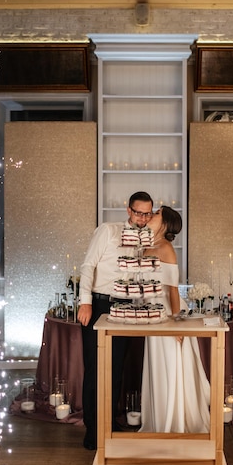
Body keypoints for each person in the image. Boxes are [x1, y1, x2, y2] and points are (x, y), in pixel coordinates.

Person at [77, 191, 154, 450]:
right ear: (129, 210)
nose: (143, 218)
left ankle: (109, 423)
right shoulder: (107, 231)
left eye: (148, 213)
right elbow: (88, 265)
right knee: (95, 370)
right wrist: (85, 302)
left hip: (125, 308)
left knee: (116, 370)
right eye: (139, 212)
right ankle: (92, 431)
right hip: (99, 305)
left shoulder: (145, 239)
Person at [139, 206, 211, 433]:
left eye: (157, 213)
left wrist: (175, 324)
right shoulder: (148, 246)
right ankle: (159, 420)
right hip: (150, 314)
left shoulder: (166, 248)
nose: (151, 215)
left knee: (169, 367)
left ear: (166, 224)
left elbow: (172, 291)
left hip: (166, 315)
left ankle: (174, 422)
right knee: (157, 368)